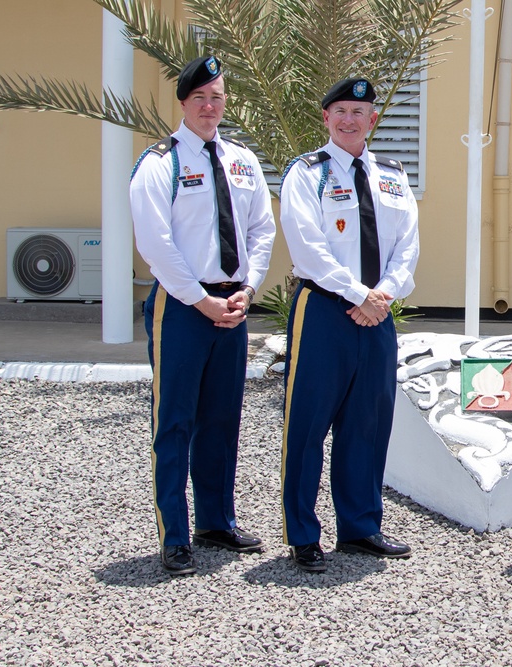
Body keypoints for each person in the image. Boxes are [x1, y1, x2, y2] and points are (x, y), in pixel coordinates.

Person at [129, 55, 276, 576]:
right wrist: (200, 299)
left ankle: (216, 521)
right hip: (183, 307)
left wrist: (249, 288)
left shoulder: (242, 159)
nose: (210, 107)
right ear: (184, 103)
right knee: (175, 420)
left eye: (217, 97)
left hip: (232, 305)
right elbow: (155, 243)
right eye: (200, 99)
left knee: (221, 418)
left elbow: (261, 229)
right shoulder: (159, 164)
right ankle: (174, 534)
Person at [279, 78, 419, 573]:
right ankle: (301, 534)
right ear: (326, 117)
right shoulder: (305, 173)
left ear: (373, 120)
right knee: (307, 425)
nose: (350, 120)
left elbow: (408, 245)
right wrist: (360, 294)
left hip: (377, 314)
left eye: (359, 112)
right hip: (324, 312)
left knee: (368, 424)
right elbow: (307, 249)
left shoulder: (393, 174)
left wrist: (383, 295)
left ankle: (360, 528)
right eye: (340, 110)